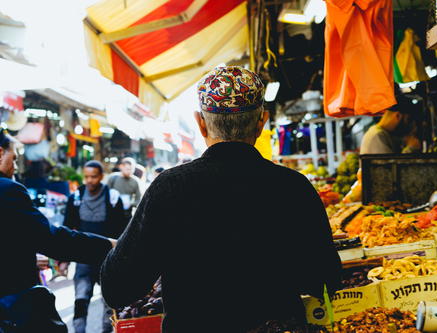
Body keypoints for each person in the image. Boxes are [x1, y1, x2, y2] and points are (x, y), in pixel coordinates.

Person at [100, 66, 341, 333]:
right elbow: (323, 278)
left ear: (201, 123)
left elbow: (118, 287)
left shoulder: (169, 187)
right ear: (262, 122)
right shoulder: (293, 186)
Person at [0, 130, 115, 332]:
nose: (16, 168)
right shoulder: (8, 190)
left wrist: (22, 257)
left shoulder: (111, 196)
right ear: (0, 153)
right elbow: (52, 240)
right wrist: (110, 245)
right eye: (14, 159)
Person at [63, 160, 127, 333]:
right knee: (81, 299)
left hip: (108, 259)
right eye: (86, 177)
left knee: (109, 303)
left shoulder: (113, 198)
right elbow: (67, 228)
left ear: (101, 176)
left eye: (94, 177)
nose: (89, 181)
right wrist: (64, 259)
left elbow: (123, 230)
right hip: (83, 259)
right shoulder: (75, 198)